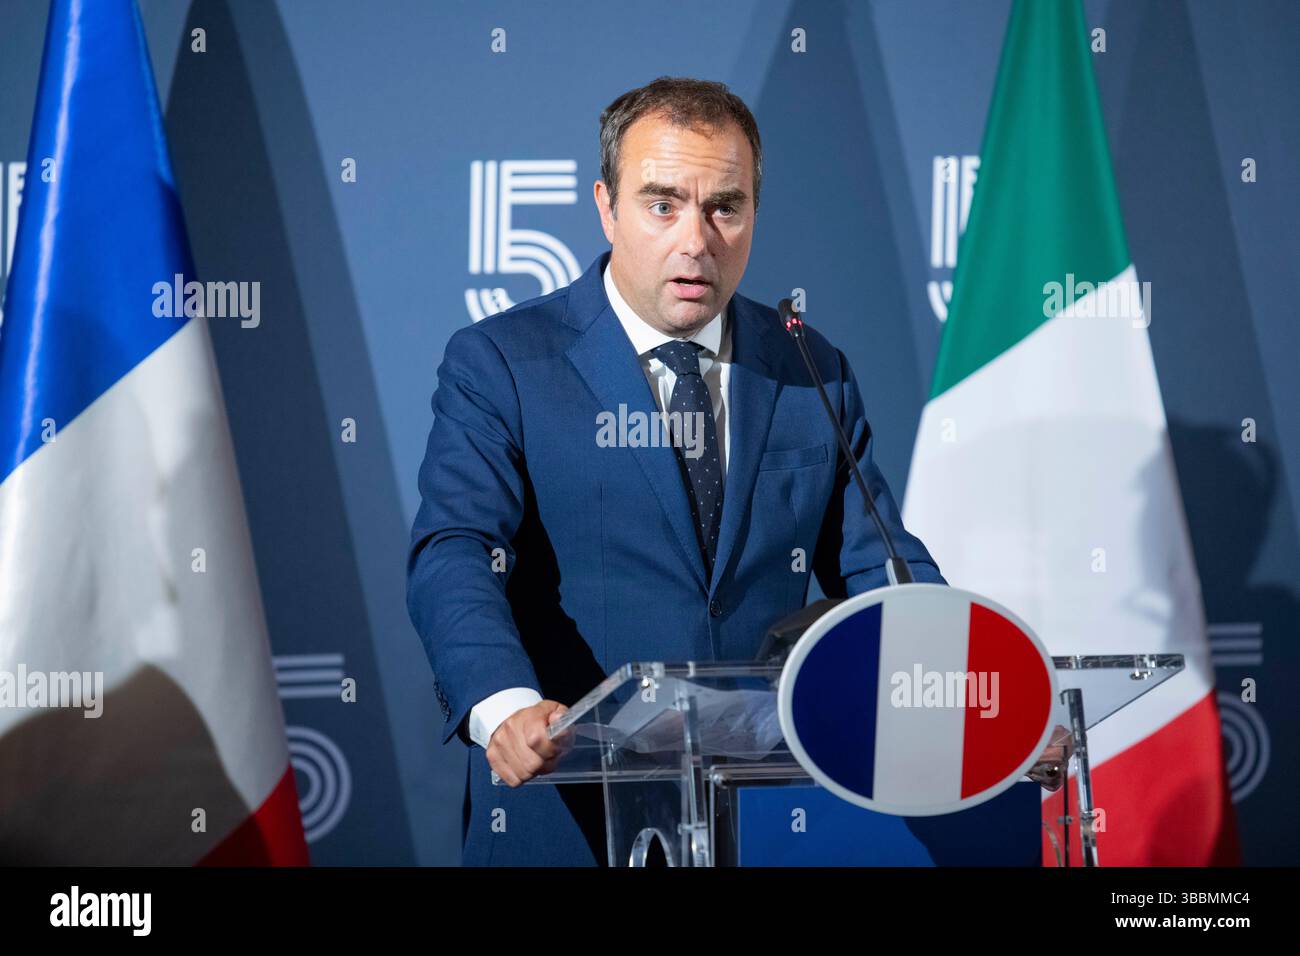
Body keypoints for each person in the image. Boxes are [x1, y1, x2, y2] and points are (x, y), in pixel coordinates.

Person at [407, 76, 945, 866]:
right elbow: (454, 552)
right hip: (568, 813)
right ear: (606, 206)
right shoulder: (503, 364)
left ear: (754, 212)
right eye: (662, 205)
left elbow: (879, 566)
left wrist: (964, 696)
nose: (696, 240)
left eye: (724, 207)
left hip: (767, 821)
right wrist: (508, 708)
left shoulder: (808, 364)